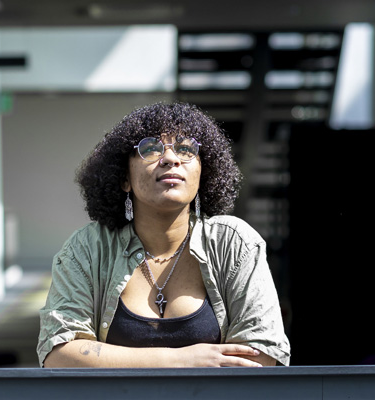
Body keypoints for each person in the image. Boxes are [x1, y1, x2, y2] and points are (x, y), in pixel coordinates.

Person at [37, 102, 290, 368]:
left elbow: (261, 355)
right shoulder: (88, 248)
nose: (171, 158)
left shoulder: (234, 243)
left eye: (185, 149)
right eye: (150, 149)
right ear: (124, 178)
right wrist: (180, 360)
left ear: (203, 172)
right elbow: (59, 355)